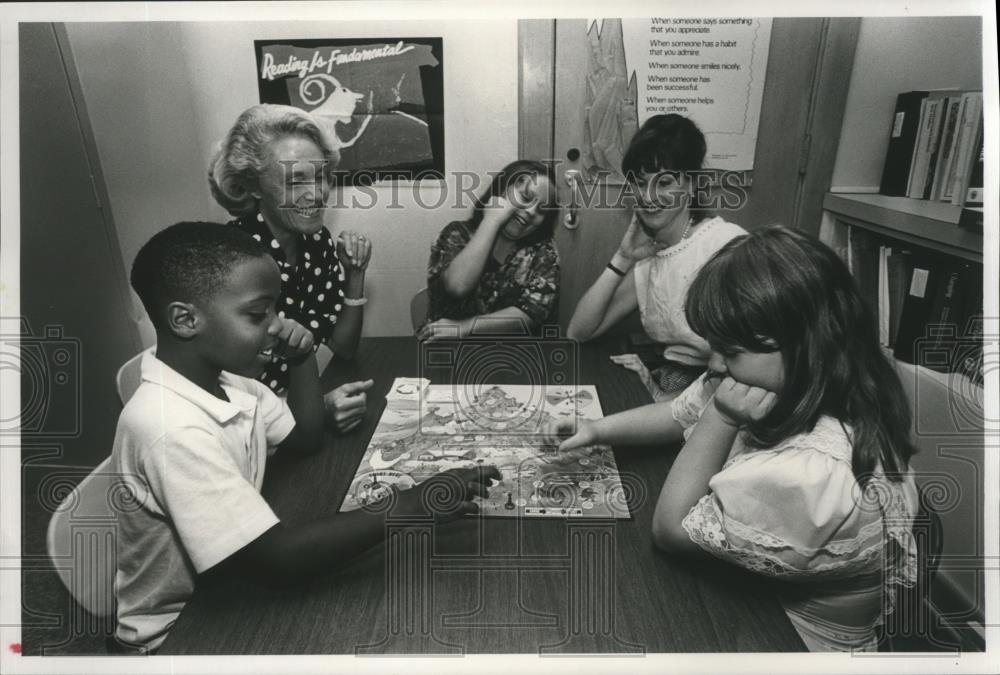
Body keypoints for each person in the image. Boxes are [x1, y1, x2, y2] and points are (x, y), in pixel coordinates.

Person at [112, 222, 498, 653]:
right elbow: (279, 563)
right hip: (178, 632)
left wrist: (300, 359)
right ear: (185, 320)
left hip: (227, 582)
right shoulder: (170, 427)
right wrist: (411, 504)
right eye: (258, 315)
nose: (277, 326)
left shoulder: (230, 382)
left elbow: (305, 438)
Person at [547, 226, 918, 652]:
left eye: (731, 350)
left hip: (789, 639)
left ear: (804, 344)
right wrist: (598, 428)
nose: (715, 363)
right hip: (759, 597)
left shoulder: (810, 474)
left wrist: (720, 419)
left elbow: (670, 529)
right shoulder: (795, 378)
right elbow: (676, 412)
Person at [209, 103, 373, 432]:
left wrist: (355, 274)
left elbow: (343, 347)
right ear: (252, 186)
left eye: (322, 176)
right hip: (251, 432)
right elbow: (227, 403)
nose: (317, 194)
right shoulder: (229, 260)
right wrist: (316, 408)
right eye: (296, 181)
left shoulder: (316, 242)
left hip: (293, 411)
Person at [567, 114, 746, 400]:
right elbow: (579, 331)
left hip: (716, 396)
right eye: (639, 183)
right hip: (670, 383)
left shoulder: (726, 245)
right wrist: (623, 257)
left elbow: (745, 368)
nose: (648, 196)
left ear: (692, 185)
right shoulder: (652, 256)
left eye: (663, 183)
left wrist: (660, 396)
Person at [417, 160, 561, 339]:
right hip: (447, 350)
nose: (532, 211)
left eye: (542, 210)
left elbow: (532, 312)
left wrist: (467, 327)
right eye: (525, 197)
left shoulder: (544, 251)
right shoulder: (456, 234)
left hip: (516, 356)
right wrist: (491, 221)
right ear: (500, 191)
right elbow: (457, 287)